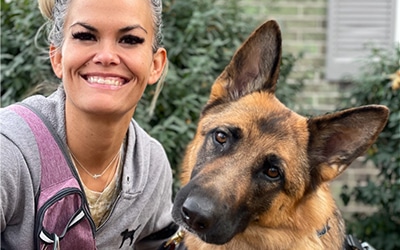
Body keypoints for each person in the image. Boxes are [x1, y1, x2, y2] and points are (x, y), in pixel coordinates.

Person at [0, 0, 181, 249]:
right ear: (58, 57)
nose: (106, 56)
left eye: (129, 40)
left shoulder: (151, 166)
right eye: (85, 36)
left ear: (155, 65)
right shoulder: (8, 153)